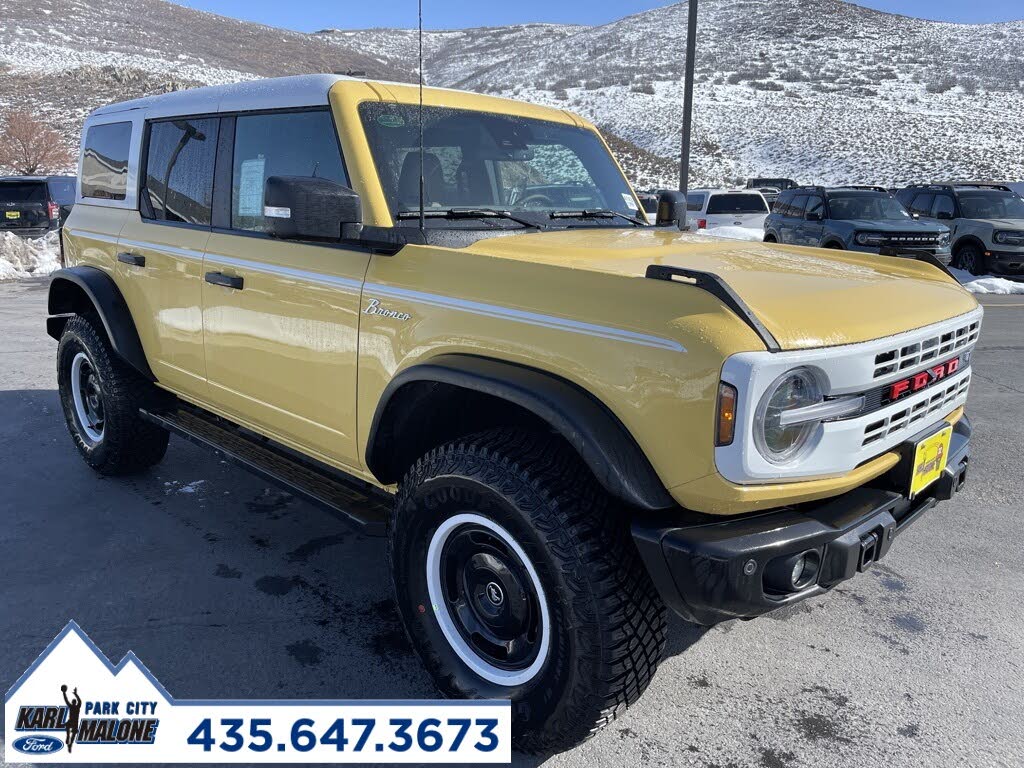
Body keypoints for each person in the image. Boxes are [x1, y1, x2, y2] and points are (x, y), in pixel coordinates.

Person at [61, 684, 82, 753]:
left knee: (72, 733)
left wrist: (75, 694)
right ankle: (68, 738)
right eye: (73, 701)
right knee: (69, 728)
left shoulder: (75, 706)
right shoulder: (75, 706)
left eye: (73, 702)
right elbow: (66, 700)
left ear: (74, 702)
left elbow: (78, 701)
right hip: (72, 722)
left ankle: (70, 744)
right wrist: (64, 693)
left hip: (73, 722)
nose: (73, 702)